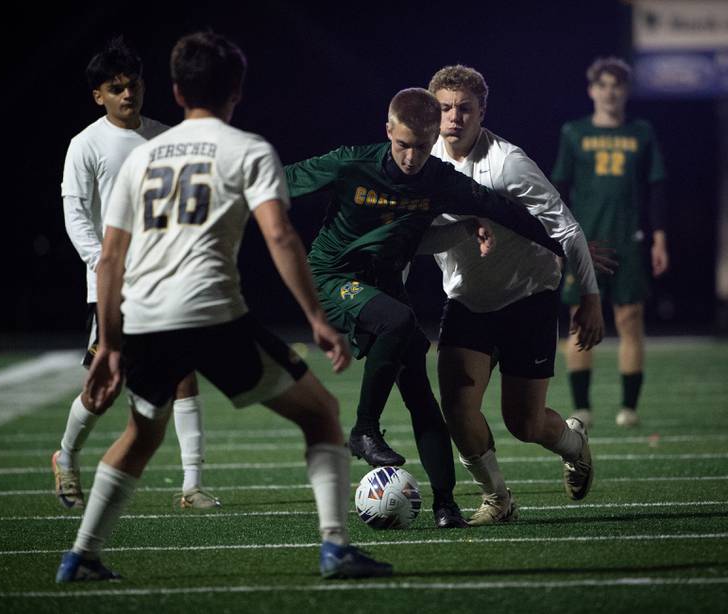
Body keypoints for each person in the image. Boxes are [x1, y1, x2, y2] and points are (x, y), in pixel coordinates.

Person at [55, 31, 392, 582]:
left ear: (174, 90)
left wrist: (111, 343)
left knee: (141, 433)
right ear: (236, 90)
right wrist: (315, 318)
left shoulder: (143, 156)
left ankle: (81, 556)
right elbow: (281, 238)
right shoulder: (248, 149)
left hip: (144, 317)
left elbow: (110, 259)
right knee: (322, 414)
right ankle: (335, 547)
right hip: (212, 315)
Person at [285, 87, 566, 528]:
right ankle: (364, 430)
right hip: (333, 278)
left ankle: (445, 504)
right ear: (387, 131)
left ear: (434, 137)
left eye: (421, 146)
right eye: (402, 145)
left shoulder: (439, 178)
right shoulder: (351, 161)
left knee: (420, 391)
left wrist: (567, 245)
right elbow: (274, 184)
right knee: (400, 322)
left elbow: (508, 212)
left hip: (383, 288)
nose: (411, 157)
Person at [412, 64, 601, 525]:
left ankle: (574, 444)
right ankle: (498, 498)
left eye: (464, 109)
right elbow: (415, 237)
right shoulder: (420, 161)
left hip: (527, 296)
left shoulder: (508, 163)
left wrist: (590, 298)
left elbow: (566, 227)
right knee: (457, 408)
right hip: (466, 300)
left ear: (482, 113)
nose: (454, 118)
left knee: (525, 424)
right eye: (444, 108)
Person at [56, 38, 219, 512]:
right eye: (117, 88)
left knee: (184, 374)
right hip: (114, 285)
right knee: (103, 387)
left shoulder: (168, 138)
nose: (128, 94)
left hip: (165, 279)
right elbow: (76, 216)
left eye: (134, 85)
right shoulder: (84, 145)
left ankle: (192, 485)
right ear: (99, 96)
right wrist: (104, 264)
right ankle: (65, 456)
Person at [552, 57, 669, 429]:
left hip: (629, 239)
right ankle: (582, 407)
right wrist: (559, 241)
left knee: (630, 319)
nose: (609, 91)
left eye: (616, 85)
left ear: (626, 90)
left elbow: (656, 188)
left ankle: (629, 408)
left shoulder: (641, 132)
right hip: (585, 242)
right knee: (579, 321)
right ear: (591, 90)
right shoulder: (574, 132)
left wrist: (659, 239)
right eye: (602, 85)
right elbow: (559, 190)